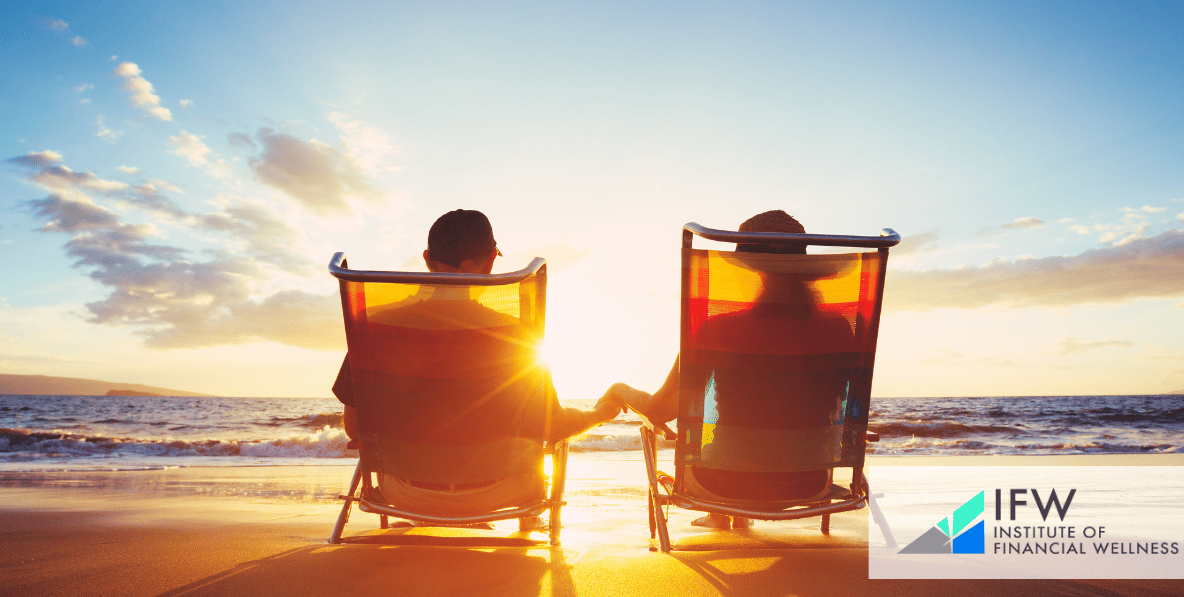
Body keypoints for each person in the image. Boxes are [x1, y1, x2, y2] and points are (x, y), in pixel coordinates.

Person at [334, 209, 620, 528]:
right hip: (502, 493)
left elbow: (354, 428)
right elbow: (552, 427)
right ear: (485, 264)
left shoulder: (374, 327)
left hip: (403, 494)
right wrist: (599, 414)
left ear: (427, 258)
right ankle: (524, 522)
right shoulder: (517, 336)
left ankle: (430, 516)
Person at [607, 210, 853, 530]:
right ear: (804, 270)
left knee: (729, 445)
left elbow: (660, 410)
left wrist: (618, 390)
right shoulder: (838, 330)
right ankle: (728, 514)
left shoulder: (720, 329)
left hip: (722, 483)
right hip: (808, 482)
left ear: (751, 272)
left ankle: (721, 512)